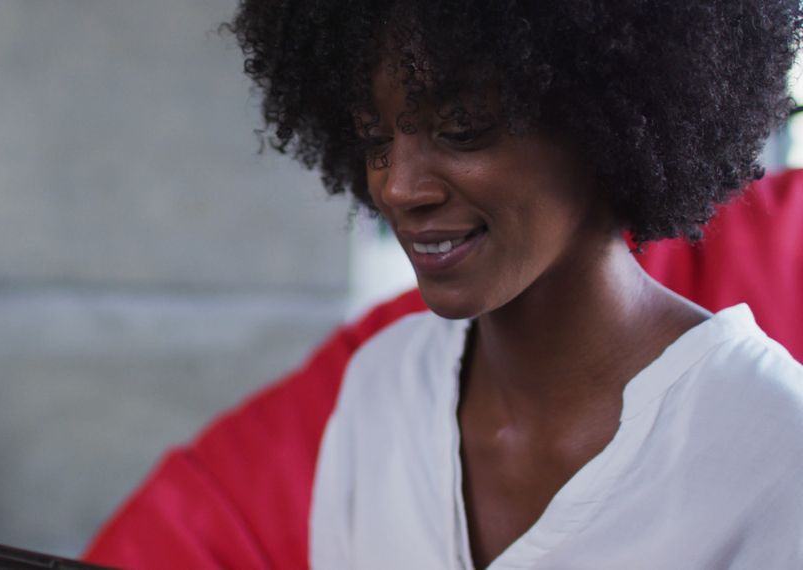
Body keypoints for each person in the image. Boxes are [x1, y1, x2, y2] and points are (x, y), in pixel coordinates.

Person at [217, 1, 803, 568]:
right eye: (377, 140)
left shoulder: (775, 446)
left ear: (602, 124)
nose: (398, 187)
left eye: (462, 130)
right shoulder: (382, 387)